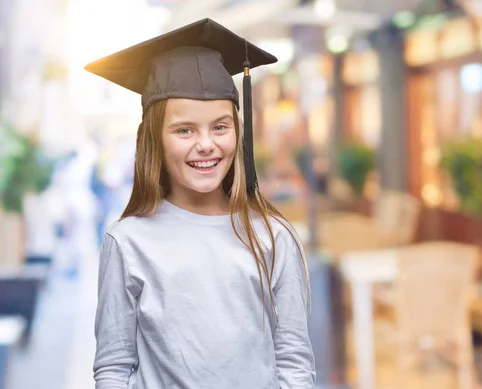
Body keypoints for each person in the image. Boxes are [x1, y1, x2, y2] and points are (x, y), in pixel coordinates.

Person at [85, 19, 315, 389]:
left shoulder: (272, 237)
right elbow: (113, 367)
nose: (206, 144)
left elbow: (294, 363)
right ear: (155, 140)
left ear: (238, 133)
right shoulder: (128, 242)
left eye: (220, 127)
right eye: (185, 129)